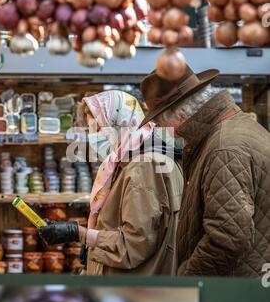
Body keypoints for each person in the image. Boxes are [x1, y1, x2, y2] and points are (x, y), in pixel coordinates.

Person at [139, 64, 270, 277]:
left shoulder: (223, 147)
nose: (161, 130)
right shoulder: (231, 130)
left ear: (179, 115)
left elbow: (227, 237)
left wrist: (186, 280)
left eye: (159, 121)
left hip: (236, 291)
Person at [39, 90, 183, 275]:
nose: (94, 137)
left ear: (118, 123)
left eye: (98, 129)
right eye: (90, 130)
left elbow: (133, 246)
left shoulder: (144, 167)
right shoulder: (136, 159)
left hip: (133, 289)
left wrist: (79, 234)